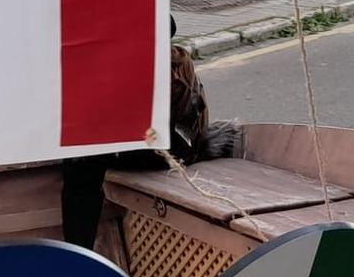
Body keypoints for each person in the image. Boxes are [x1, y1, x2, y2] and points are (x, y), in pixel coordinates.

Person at [58, 18, 236, 251]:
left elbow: (166, 24)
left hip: (170, 144)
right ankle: (78, 255)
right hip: (164, 136)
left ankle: (78, 255)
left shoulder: (161, 68)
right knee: (82, 156)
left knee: (83, 162)